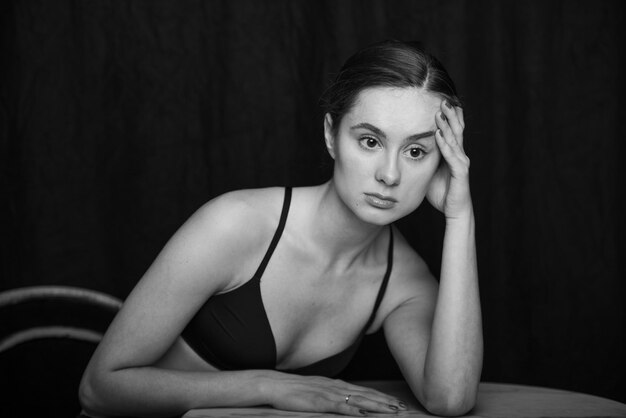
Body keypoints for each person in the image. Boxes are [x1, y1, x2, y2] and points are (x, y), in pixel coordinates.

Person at [79, 39, 482, 417]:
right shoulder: (236, 224)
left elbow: (449, 398)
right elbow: (99, 388)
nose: (390, 175)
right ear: (331, 136)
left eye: (416, 151)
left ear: (439, 162)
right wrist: (267, 386)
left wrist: (460, 216)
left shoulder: (403, 282)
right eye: (370, 142)